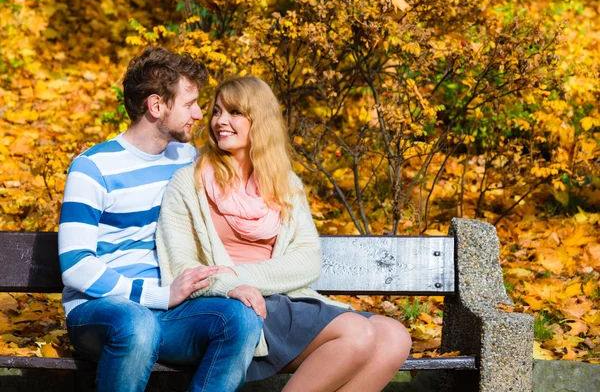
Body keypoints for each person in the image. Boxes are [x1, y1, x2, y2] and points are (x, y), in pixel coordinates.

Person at [156, 76, 412, 391]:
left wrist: (238, 274)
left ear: (259, 121)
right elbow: (181, 269)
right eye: (217, 111)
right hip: (234, 309)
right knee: (357, 334)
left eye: (234, 112)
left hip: (284, 301)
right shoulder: (188, 183)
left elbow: (307, 261)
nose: (221, 121)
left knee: (395, 337)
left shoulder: (284, 183)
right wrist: (233, 286)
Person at [58, 47, 262, 392]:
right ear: (156, 106)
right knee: (137, 324)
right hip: (100, 312)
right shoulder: (93, 168)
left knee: (241, 320)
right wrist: (157, 296)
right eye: (189, 104)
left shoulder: (187, 159)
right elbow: (76, 266)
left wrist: (231, 283)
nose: (199, 114)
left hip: (171, 313)